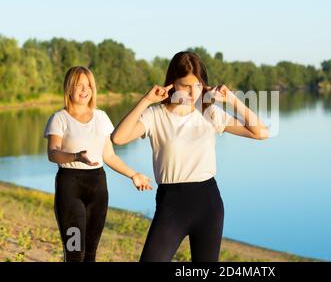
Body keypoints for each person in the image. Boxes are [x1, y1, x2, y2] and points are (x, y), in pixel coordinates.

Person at [111, 51, 269, 262]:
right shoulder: (155, 115)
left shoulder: (208, 113)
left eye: (198, 85)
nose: (193, 93)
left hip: (208, 202)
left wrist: (231, 99)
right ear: (172, 83)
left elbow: (261, 133)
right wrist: (146, 100)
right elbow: (118, 138)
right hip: (171, 204)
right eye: (186, 85)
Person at [44, 66, 151, 262]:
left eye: (89, 86)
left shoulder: (101, 117)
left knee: (91, 253)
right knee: (74, 251)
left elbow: (109, 156)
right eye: (78, 85)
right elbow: (53, 153)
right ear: (68, 88)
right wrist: (76, 156)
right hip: (70, 187)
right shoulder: (59, 118)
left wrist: (133, 175)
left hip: (98, 187)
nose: (84, 90)